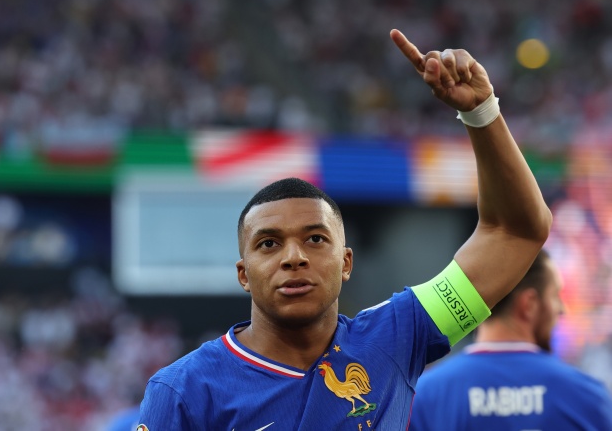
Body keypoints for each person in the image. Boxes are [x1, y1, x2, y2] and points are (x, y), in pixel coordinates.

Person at [136, 29, 553, 430]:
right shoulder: (184, 390)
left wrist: (482, 113)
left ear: (346, 262)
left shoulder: (395, 338)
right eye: (269, 243)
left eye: (315, 239)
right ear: (244, 274)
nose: (294, 257)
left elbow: (516, 232)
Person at [410, 249, 612, 430]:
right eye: (555, 296)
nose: (561, 309)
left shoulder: (425, 398)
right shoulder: (588, 397)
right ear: (529, 304)